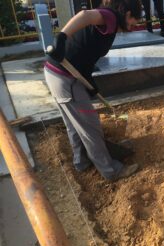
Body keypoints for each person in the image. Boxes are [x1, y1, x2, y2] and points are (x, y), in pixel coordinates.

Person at [45, 0, 143, 181]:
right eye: (133, 23)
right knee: (90, 127)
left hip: (59, 75)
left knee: (75, 124)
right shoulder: (111, 17)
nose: (131, 28)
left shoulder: (110, 23)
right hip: (65, 78)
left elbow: (86, 50)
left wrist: (88, 81)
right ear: (128, 14)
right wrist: (62, 37)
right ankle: (111, 170)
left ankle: (81, 162)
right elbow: (85, 16)